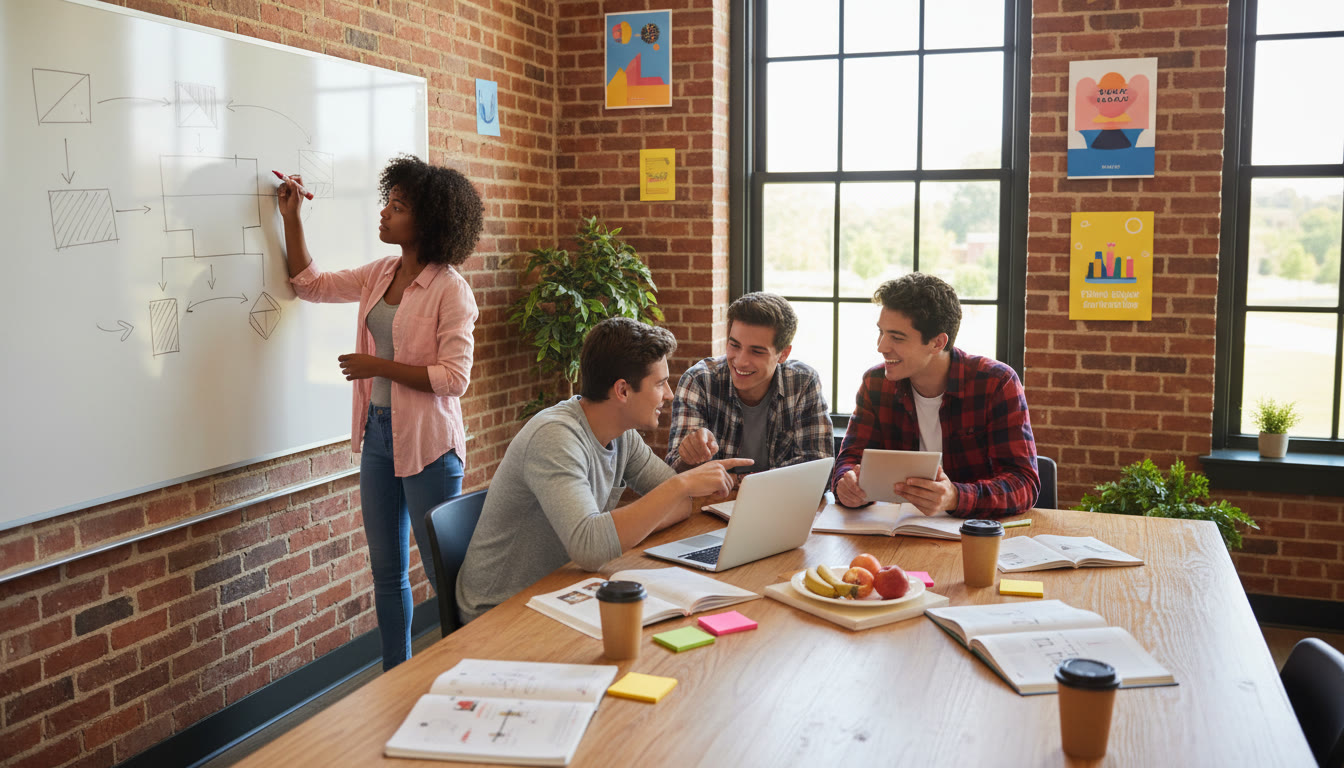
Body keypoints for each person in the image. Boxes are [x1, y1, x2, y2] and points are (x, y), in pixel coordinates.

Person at [277, 154, 482, 669]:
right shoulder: (380, 273)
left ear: (428, 221)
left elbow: (454, 379)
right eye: (387, 202)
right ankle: (398, 679)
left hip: (429, 446)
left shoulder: (450, 289)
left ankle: (476, 669)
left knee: (442, 575)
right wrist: (291, 218)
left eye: (398, 206)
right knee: (386, 573)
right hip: (379, 438)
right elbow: (311, 285)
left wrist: (379, 366)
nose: (385, 213)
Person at [456, 318, 751, 624]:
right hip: (501, 609)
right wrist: (680, 485)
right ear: (623, 390)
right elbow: (591, 548)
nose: (669, 394)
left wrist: (669, 496)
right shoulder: (554, 437)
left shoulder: (622, 434)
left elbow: (679, 505)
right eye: (660, 383)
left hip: (564, 588)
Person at [833, 273, 1039, 518]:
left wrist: (955, 497)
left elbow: (1023, 484)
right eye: (881, 332)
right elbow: (850, 459)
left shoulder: (996, 383)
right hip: (892, 532)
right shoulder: (875, 383)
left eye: (896, 337)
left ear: (938, 343)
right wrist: (846, 486)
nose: (881, 347)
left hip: (971, 535)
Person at [666, 292, 833, 473]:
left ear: (783, 354)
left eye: (757, 351)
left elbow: (819, 466)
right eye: (734, 345)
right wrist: (688, 456)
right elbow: (674, 472)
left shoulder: (803, 382)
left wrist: (744, 483)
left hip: (781, 501)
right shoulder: (699, 381)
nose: (740, 361)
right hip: (711, 501)